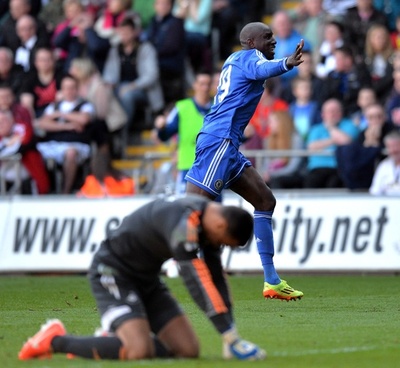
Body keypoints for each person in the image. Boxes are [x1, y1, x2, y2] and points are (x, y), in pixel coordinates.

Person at [18, 195, 266, 361]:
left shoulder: (208, 223)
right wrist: (228, 335)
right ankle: (55, 340)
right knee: (138, 350)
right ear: (221, 227)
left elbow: (216, 278)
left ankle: (112, 341)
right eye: (223, 242)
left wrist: (230, 330)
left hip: (146, 280)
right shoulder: (184, 225)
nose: (219, 246)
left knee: (187, 350)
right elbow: (196, 280)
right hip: (112, 272)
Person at [185, 22, 305, 300]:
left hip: (228, 143)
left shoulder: (234, 59)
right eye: (267, 37)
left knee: (265, 201)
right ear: (251, 42)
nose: (273, 40)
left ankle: (272, 281)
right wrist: (287, 62)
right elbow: (264, 69)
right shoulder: (251, 58)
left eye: (273, 36)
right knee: (192, 210)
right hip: (219, 140)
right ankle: (182, 270)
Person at [154, 70, 212, 194]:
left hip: (212, 169)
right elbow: (165, 135)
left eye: (208, 84)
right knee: (187, 208)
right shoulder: (182, 108)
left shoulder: (217, 109)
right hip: (188, 168)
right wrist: (161, 128)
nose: (205, 88)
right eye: (202, 84)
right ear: (195, 85)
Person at [35, 74, 95, 194]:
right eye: (66, 88)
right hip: (54, 143)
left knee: (71, 153)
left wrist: (61, 115)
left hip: (77, 144)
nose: (69, 91)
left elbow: (83, 119)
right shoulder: (54, 106)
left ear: (77, 89)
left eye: (72, 87)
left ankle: (65, 190)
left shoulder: (85, 105)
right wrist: (68, 125)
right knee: (33, 153)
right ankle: (43, 189)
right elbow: (42, 123)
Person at [303, 98, 360, 188]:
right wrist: (334, 140)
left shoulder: (349, 125)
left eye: (336, 111)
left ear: (341, 113)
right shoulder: (316, 129)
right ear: (323, 114)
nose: (333, 114)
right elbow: (311, 146)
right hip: (317, 168)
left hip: (339, 167)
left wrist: (330, 127)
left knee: (334, 183)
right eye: (330, 111)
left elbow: (346, 142)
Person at [369, 130, 400, 195]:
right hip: (386, 203)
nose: (393, 150)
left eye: (396, 145)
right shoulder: (384, 166)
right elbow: (375, 191)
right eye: (390, 147)